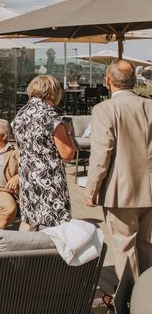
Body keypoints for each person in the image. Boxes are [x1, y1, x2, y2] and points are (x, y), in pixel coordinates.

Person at [85, 60, 152, 282]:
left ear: (108, 80)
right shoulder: (150, 106)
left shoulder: (105, 109)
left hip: (120, 191)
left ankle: (129, 300)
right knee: (147, 247)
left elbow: (102, 153)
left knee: (124, 246)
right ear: (133, 81)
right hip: (149, 189)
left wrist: (91, 189)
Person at [11, 75, 76, 230]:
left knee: (28, 218)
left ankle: (21, 253)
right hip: (47, 175)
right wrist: (67, 131)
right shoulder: (49, 115)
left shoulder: (21, 113)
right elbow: (68, 153)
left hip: (27, 173)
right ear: (54, 92)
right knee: (56, 222)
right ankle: (51, 254)